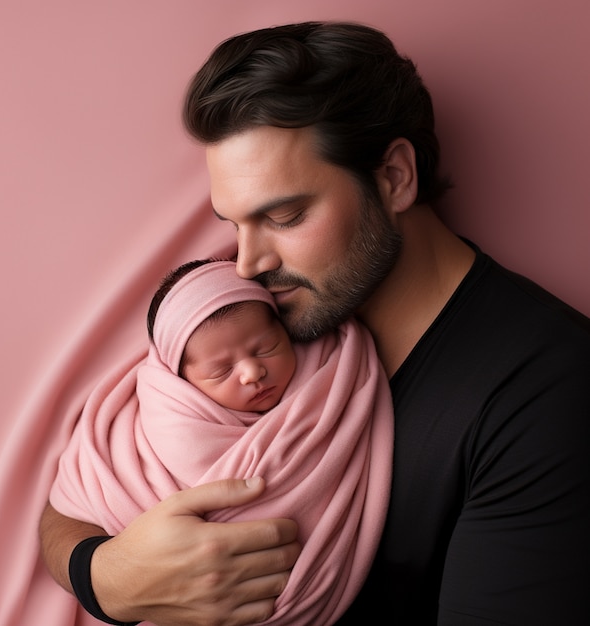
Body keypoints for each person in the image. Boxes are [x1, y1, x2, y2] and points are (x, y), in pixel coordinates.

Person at [39, 21, 590, 625]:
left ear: (395, 177)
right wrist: (105, 575)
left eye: (285, 215)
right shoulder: (263, 328)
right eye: (233, 223)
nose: (249, 262)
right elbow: (77, 495)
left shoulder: (548, 392)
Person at [47, 258, 393, 625]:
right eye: (221, 370)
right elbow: (77, 500)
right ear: (181, 380)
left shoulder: (333, 376)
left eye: (266, 348)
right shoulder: (155, 423)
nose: (252, 372)